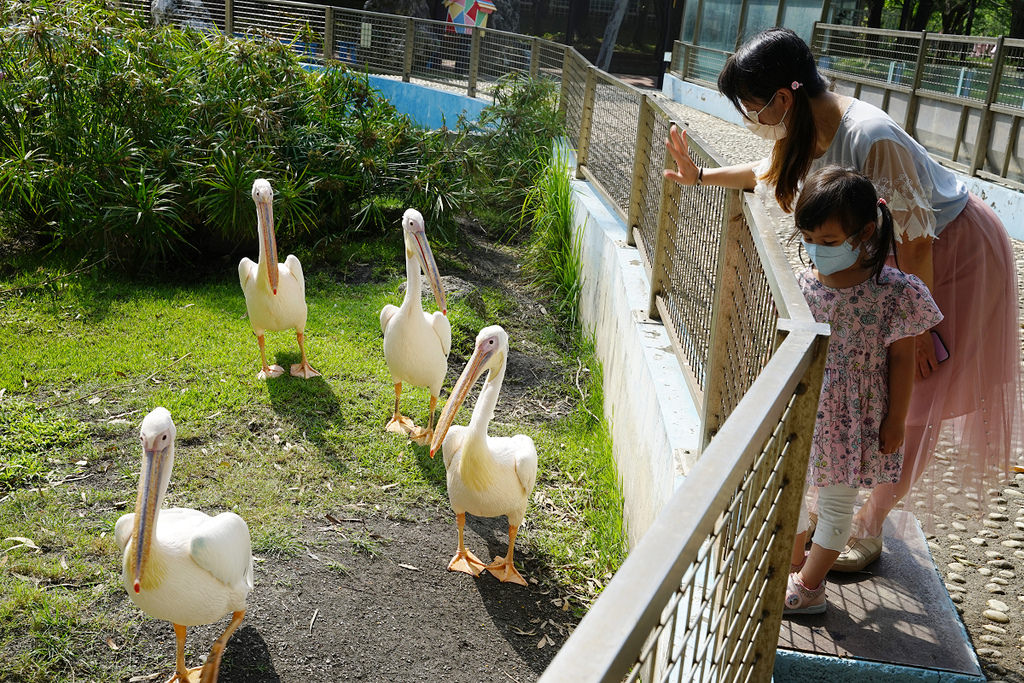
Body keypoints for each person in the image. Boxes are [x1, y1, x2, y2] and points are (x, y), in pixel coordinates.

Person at [665, 27, 1022, 572]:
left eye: (751, 107)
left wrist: (919, 328)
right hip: (894, 256)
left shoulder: (869, 135)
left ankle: (869, 528)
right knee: (871, 382)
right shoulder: (806, 128)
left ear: (783, 99)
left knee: (914, 389)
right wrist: (700, 176)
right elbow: (769, 175)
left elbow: (919, 237)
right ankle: (838, 515)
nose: (750, 120)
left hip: (952, 253)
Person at [784, 167, 942, 614]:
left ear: (864, 233)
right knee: (790, 490)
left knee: (837, 502)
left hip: (856, 416)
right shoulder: (802, 284)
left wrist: (895, 421)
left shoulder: (895, 291)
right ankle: (793, 565)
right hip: (805, 405)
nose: (816, 250)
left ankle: (811, 588)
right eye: (808, 237)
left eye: (829, 242)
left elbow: (903, 358)